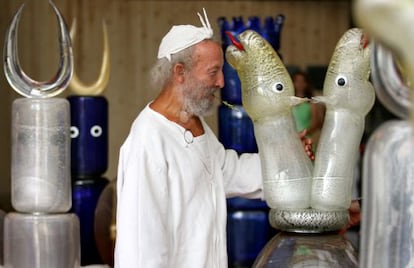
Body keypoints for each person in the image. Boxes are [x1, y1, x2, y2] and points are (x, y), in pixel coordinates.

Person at [113, 9, 322, 268]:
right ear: (180, 72)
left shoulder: (194, 124)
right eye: (213, 72)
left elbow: (228, 170)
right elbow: (141, 251)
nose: (222, 82)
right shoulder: (148, 140)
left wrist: (288, 156)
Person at [291, 70, 324, 148]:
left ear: (306, 84)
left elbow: (315, 124)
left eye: (302, 81)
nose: (300, 84)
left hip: (306, 141)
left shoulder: (311, 103)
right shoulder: (289, 104)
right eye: (297, 81)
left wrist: (302, 134)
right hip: (291, 141)